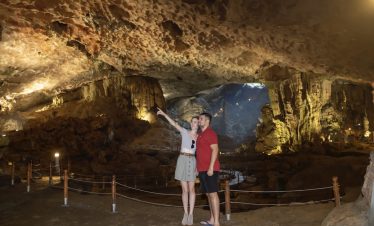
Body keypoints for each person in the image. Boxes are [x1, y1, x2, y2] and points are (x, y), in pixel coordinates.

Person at [156, 107, 198, 226]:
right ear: (191, 123)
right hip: (182, 160)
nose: (195, 124)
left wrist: (198, 166)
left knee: (192, 189)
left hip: (193, 161)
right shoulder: (184, 132)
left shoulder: (199, 138)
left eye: (197, 122)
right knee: (184, 190)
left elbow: (200, 153)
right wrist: (164, 114)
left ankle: (191, 214)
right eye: (194, 122)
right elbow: (174, 124)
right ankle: (185, 213)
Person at [196, 112, 220, 226]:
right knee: (208, 195)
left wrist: (210, 167)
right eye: (199, 119)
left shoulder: (210, 133)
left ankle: (217, 222)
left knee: (213, 194)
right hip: (202, 169)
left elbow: (215, 150)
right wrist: (197, 168)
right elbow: (199, 153)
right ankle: (211, 219)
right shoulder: (201, 134)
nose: (199, 120)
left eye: (201, 119)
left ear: (207, 121)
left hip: (210, 169)